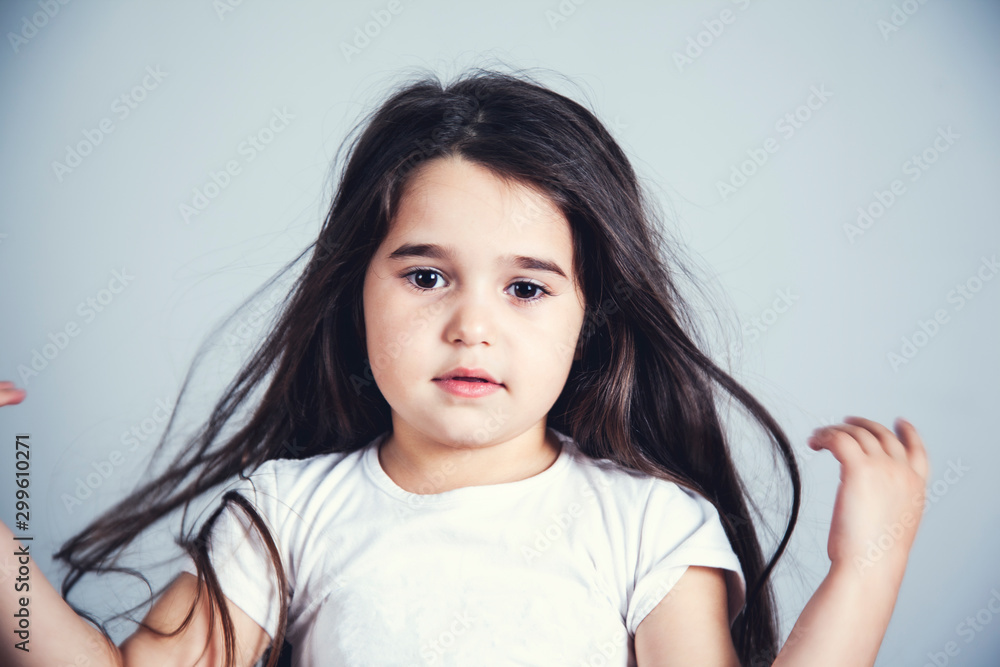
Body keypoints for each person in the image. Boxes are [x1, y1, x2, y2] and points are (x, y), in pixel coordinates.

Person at [0, 68, 929, 667]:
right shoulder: (288, 512)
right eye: (426, 276)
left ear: (589, 319)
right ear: (355, 291)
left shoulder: (649, 525)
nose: (471, 326)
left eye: (526, 288)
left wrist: (867, 565)